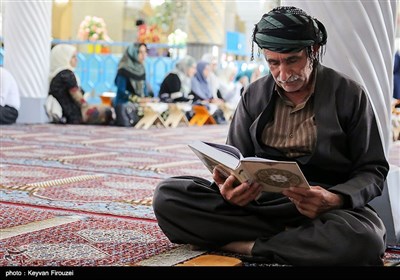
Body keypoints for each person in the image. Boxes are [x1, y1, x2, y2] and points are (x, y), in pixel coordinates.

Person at [153, 6, 389, 266]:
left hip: (321, 209)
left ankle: (248, 245)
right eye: (273, 63)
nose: (284, 75)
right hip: (260, 205)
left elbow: (373, 169)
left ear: (314, 51)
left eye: (292, 60)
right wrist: (229, 189)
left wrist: (334, 199)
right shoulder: (254, 94)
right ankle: (295, 242)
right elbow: (235, 161)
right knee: (168, 196)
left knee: (363, 240)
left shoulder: (349, 95)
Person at [48, 44, 114, 125]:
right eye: (73, 57)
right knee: (107, 110)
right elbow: (78, 98)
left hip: (67, 114)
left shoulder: (56, 75)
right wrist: (88, 106)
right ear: (64, 58)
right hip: (75, 115)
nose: (76, 60)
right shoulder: (67, 74)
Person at [113, 42, 153, 127]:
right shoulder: (124, 68)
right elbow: (121, 91)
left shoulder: (141, 68)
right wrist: (138, 99)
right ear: (133, 53)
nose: (144, 55)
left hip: (139, 104)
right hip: (125, 103)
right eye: (140, 52)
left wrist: (147, 98)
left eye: (145, 52)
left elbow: (144, 89)